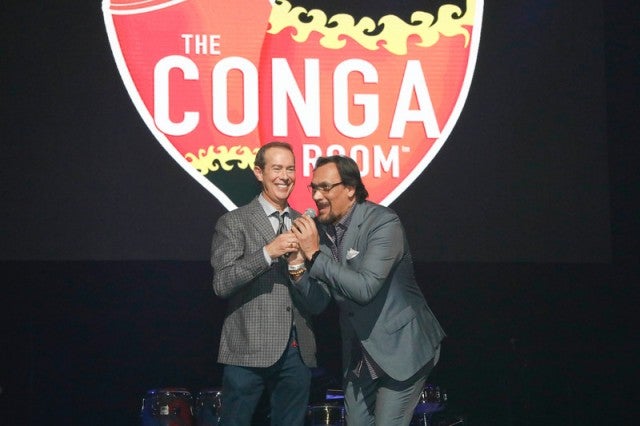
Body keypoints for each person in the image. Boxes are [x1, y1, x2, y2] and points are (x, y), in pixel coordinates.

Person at [291, 155, 446, 426]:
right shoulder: (323, 233)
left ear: (350, 189)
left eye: (325, 187)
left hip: (402, 346)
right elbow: (319, 303)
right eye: (313, 188)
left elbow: (365, 288)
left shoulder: (383, 222)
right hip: (360, 353)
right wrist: (297, 268)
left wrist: (314, 255)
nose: (316, 196)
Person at [211, 141, 329, 426]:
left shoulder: (307, 226)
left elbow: (320, 300)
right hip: (247, 349)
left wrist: (298, 268)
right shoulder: (234, 222)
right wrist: (267, 253)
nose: (284, 176)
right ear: (259, 172)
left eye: (290, 169)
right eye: (276, 168)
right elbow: (222, 283)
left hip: (296, 351)